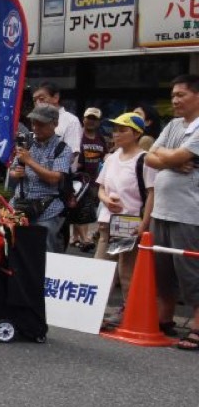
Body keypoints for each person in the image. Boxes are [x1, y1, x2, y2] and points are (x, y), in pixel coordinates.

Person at [144, 75, 199, 345]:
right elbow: (150, 157)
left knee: (190, 270)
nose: (175, 100)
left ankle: (197, 326)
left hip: (189, 212)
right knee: (162, 271)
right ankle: (165, 320)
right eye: (173, 95)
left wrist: (168, 156)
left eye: (181, 95)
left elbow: (166, 155)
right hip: (161, 210)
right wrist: (173, 161)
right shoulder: (174, 124)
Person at [95, 112, 155, 331]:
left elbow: (151, 194)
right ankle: (95, 313)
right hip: (106, 222)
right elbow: (101, 187)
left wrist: (144, 223)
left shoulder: (145, 159)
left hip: (129, 222)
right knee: (100, 268)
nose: (117, 134)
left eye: (123, 129)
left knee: (126, 272)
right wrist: (105, 200)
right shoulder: (111, 158)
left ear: (137, 133)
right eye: (116, 129)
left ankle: (131, 316)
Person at [7, 103, 74, 253]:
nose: (36, 128)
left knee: (45, 250)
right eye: (33, 123)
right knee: (13, 247)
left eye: (41, 124)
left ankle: (47, 276)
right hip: (19, 206)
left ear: (55, 123)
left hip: (47, 209)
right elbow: (12, 169)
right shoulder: (27, 142)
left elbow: (54, 178)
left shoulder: (62, 148)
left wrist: (30, 162)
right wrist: (16, 173)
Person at [72, 108, 108, 251]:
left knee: (82, 207)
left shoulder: (101, 138)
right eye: (89, 118)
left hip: (94, 180)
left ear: (98, 122)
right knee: (83, 208)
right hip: (79, 179)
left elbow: (104, 156)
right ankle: (85, 238)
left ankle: (75, 237)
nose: (91, 121)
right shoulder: (77, 135)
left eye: (94, 119)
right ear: (83, 119)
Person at [31, 82, 82, 164]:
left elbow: (72, 154)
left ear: (55, 98)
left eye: (41, 99)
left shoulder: (71, 121)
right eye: (34, 100)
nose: (37, 103)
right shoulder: (36, 121)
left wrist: (40, 167)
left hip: (59, 174)